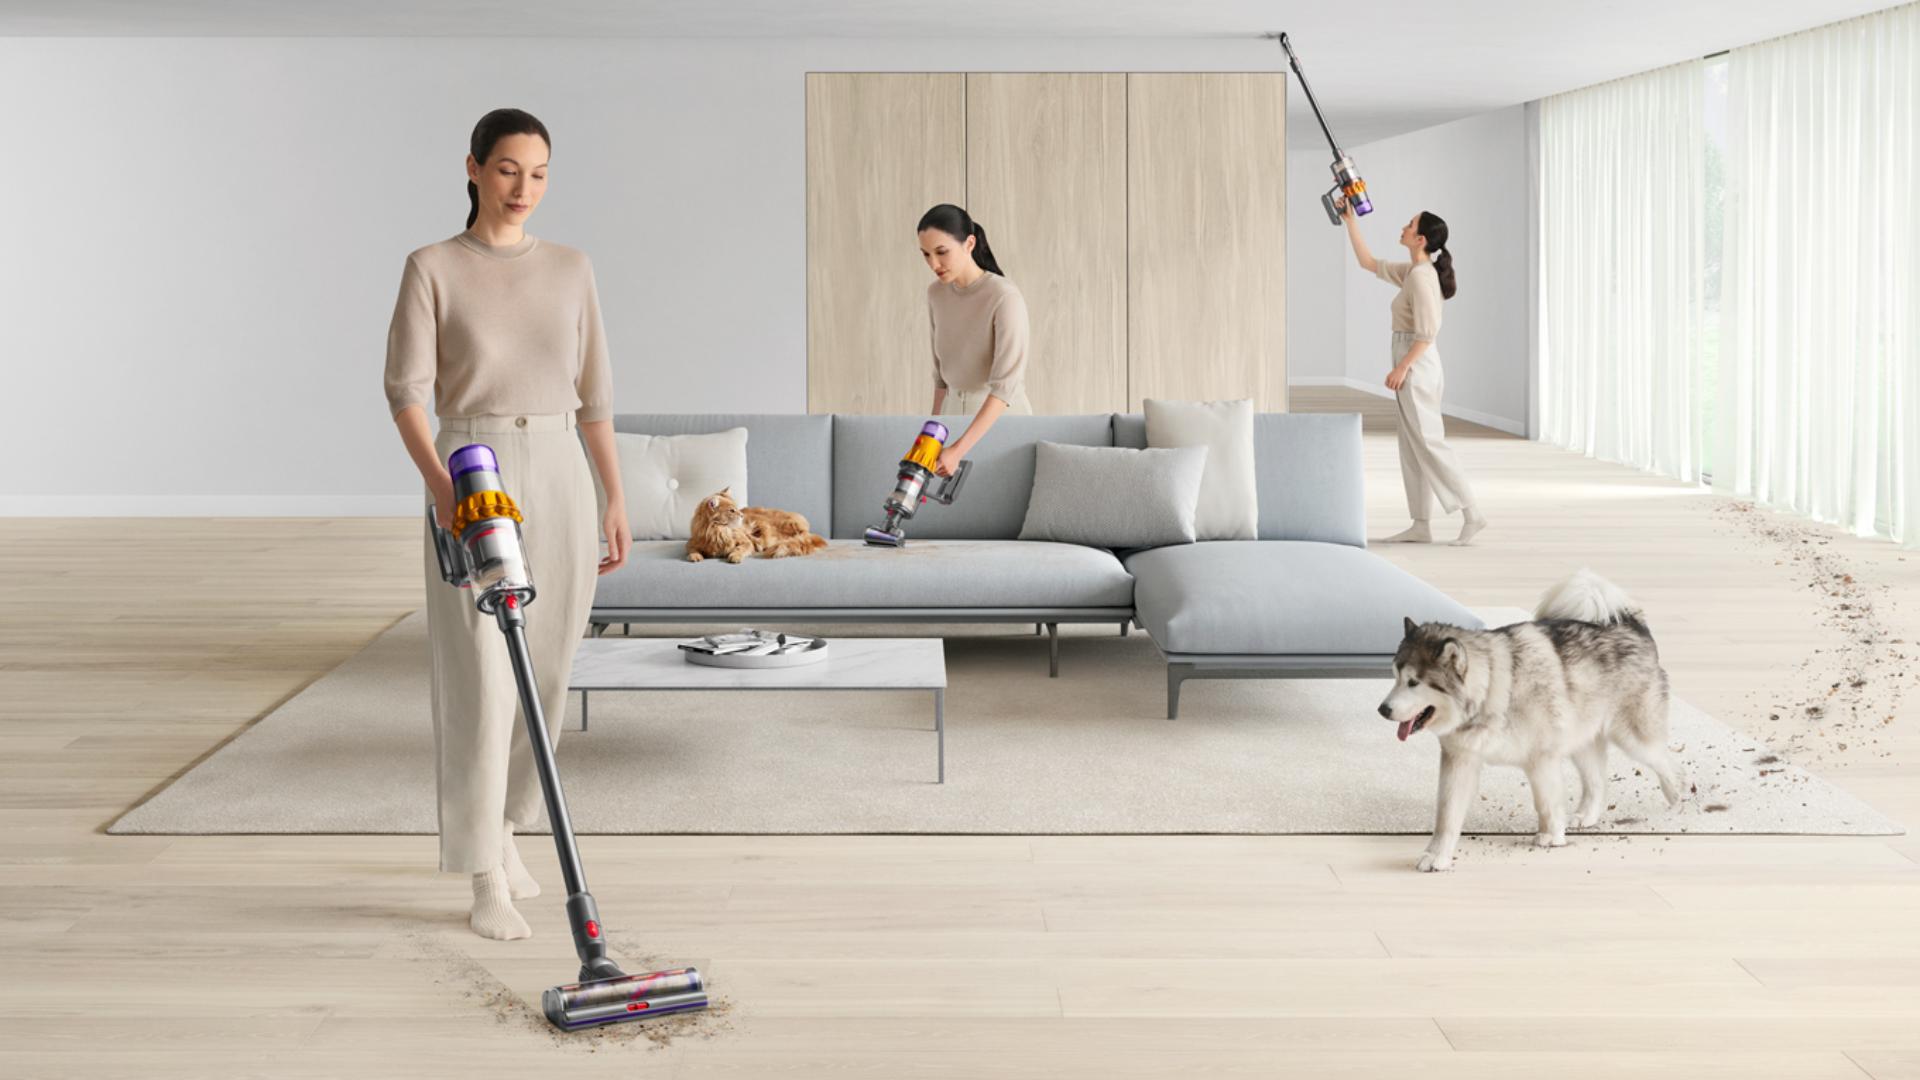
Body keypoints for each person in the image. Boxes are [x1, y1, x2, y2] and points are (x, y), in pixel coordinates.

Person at [383, 108, 632, 940]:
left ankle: (512, 828)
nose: (522, 188)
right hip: (473, 467)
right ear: (473, 169)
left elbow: (595, 398)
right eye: (506, 170)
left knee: (549, 667)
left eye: (538, 173)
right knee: (481, 677)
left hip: (560, 465)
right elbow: (406, 392)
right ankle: (482, 874)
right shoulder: (433, 268)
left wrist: (615, 497)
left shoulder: (571, 268)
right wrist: (439, 486)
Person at [1339, 201, 1488, 545]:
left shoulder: (1422, 278)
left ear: (1420, 239)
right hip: (1411, 359)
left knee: (1429, 441)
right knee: (1412, 444)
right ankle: (1421, 524)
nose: (1403, 227)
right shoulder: (1412, 272)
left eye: (1409, 225)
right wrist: (1350, 222)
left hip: (1417, 363)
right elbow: (1368, 263)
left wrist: (1401, 367)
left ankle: (1472, 512)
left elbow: (1427, 334)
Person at [917, 203, 1032, 476]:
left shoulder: (1004, 297)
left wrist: (958, 449)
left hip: (1002, 422)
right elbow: (941, 379)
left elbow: (1005, 387)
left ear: (969, 243)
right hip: (953, 416)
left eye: (942, 252)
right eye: (926, 255)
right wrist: (932, 439)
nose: (934, 264)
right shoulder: (936, 294)